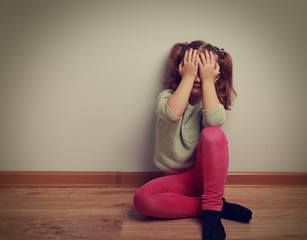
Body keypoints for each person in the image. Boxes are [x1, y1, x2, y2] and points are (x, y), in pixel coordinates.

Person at [133, 40, 252, 240]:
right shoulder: (166, 97)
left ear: (215, 73)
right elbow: (172, 114)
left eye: (203, 71)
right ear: (181, 68)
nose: (197, 77)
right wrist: (187, 77)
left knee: (213, 134)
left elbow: (214, 122)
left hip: (207, 180)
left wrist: (208, 82)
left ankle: (212, 209)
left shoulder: (212, 103)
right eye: (192, 70)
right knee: (141, 199)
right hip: (175, 180)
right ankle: (210, 207)